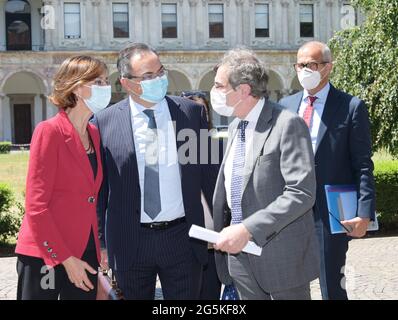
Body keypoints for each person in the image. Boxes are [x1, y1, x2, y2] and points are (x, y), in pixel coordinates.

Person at [92, 43, 219, 300]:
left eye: (161, 72)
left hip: (182, 238)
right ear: (127, 83)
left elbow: (210, 177)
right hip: (130, 241)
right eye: (149, 76)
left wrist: (222, 226)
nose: (159, 79)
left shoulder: (191, 113)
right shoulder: (103, 123)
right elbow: (99, 191)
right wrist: (101, 243)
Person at [211, 48, 320, 300]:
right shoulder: (236, 123)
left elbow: (301, 193)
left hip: (280, 255)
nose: (214, 92)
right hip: (239, 257)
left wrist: (247, 229)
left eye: (219, 86)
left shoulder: (287, 124)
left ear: (243, 90)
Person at [279, 41, 375, 300]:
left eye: (311, 64)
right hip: (288, 212)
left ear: (328, 68)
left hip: (329, 212)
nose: (304, 70)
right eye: (300, 65)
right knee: (287, 286)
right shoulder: (285, 106)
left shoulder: (350, 107)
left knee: (332, 286)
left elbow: (363, 164)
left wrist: (364, 213)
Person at [15, 55, 111, 300]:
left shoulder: (94, 134)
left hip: (85, 252)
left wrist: (99, 246)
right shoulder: (49, 131)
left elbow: (92, 199)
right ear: (78, 87)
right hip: (45, 255)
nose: (106, 88)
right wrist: (66, 260)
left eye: (106, 81)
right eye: (99, 82)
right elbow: (36, 207)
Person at [181, 91, 222, 300]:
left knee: (210, 292)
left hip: (213, 234)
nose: (197, 117)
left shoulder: (217, 145)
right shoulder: (170, 148)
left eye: (202, 112)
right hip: (183, 235)